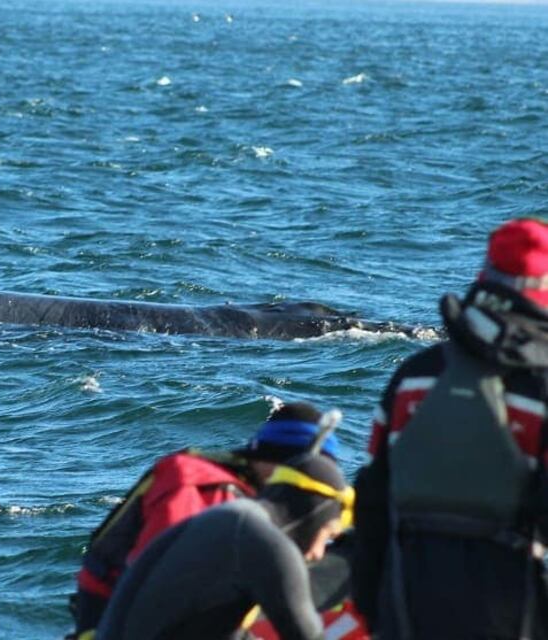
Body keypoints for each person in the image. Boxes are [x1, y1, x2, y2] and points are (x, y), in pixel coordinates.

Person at [351, 218, 548, 639]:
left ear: (484, 277)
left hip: (405, 598)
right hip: (507, 603)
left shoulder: (414, 375)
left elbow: (370, 499)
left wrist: (372, 605)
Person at [68, 402, 341, 639]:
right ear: (282, 464)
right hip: (108, 618)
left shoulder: (246, 494)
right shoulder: (204, 487)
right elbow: (167, 578)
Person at [96, 451, 354, 640]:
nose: (319, 553)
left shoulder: (226, 518)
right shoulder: (268, 544)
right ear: (313, 515)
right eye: (328, 533)